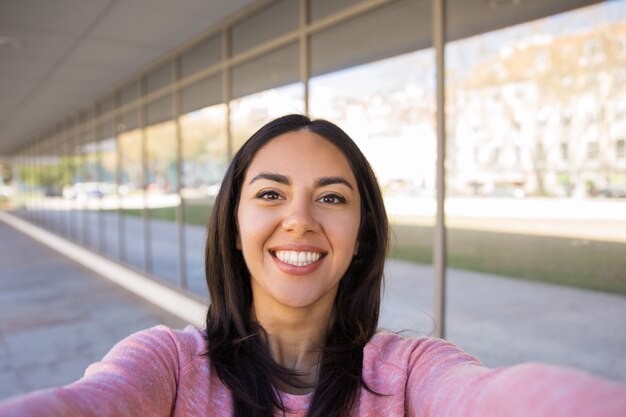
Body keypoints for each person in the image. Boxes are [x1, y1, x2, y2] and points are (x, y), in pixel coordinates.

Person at [1, 114, 625, 417]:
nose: (300, 220)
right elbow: (83, 403)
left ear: (363, 233)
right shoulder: (166, 366)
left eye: (331, 198)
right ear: (234, 225)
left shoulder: (409, 374)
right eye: (270, 194)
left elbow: (500, 400)